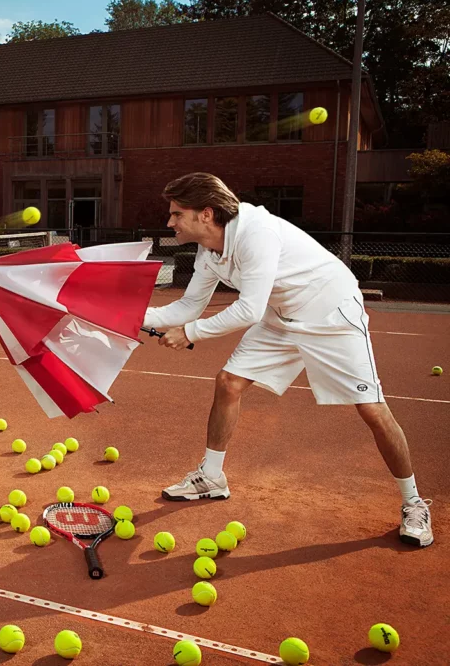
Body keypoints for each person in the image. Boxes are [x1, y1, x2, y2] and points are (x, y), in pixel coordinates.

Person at [144, 172, 433, 548]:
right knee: (228, 382)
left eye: (177, 214)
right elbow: (188, 305)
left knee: (371, 409)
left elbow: (247, 309)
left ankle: (413, 503)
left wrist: (191, 334)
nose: (170, 222)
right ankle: (211, 477)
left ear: (206, 214)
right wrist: (135, 316)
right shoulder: (208, 249)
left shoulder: (256, 233)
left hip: (331, 314)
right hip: (281, 317)